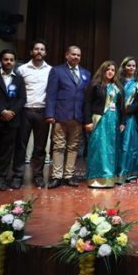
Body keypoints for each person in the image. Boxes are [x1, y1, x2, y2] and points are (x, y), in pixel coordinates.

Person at [45, 45, 91, 188]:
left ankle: (69, 175)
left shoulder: (86, 74)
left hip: (77, 116)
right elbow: (51, 94)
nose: (76, 57)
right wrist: (50, 114)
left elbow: (86, 98)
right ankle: (57, 176)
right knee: (58, 146)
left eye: (78, 55)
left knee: (73, 147)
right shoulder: (57, 71)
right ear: (67, 55)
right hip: (60, 115)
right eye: (73, 54)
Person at [0, 49, 26, 191]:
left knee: (7, 151)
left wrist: (11, 112)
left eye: (11, 60)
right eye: (6, 59)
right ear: (1, 61)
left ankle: (2, 177)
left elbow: (22, 99)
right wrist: (2, 111)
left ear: (14, 62)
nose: (8, 62)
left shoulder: (19, 79)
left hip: (12, 120)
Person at [11, 40, 52, 188]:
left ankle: (38, 175)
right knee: (20, 145)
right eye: (36, 49)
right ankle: (17, 176)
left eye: (42, 49)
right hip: (24, 111)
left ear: (45, 53)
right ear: (31, 52)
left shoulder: (50, 70)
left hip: (42, 112)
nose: (39, 51)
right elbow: (14, 91)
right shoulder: (21, 69)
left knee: (40, 147)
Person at [83, 61, 125, 188]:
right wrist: (88, 121)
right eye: (108, 69)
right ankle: (96, 178)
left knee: (111, 149)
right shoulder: (95, 85)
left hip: (113, 122)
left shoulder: (117, 87)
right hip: (99, 120)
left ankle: (109, 178)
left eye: (113, 69)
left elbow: (122, 107)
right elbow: (87, 103)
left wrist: (122, 122)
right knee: (98, 148)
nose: (110, 72)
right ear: (103, 71)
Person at [117, 57, 138, 183]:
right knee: (118, 143)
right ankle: (117, 172)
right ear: (124, 67)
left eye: (133, 66)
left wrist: (130, 109)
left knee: (129, 144)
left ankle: (129, 173)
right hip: (118, 116)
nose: (131, 68)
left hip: (131, 117)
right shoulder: (117, 82)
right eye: (129, 65)